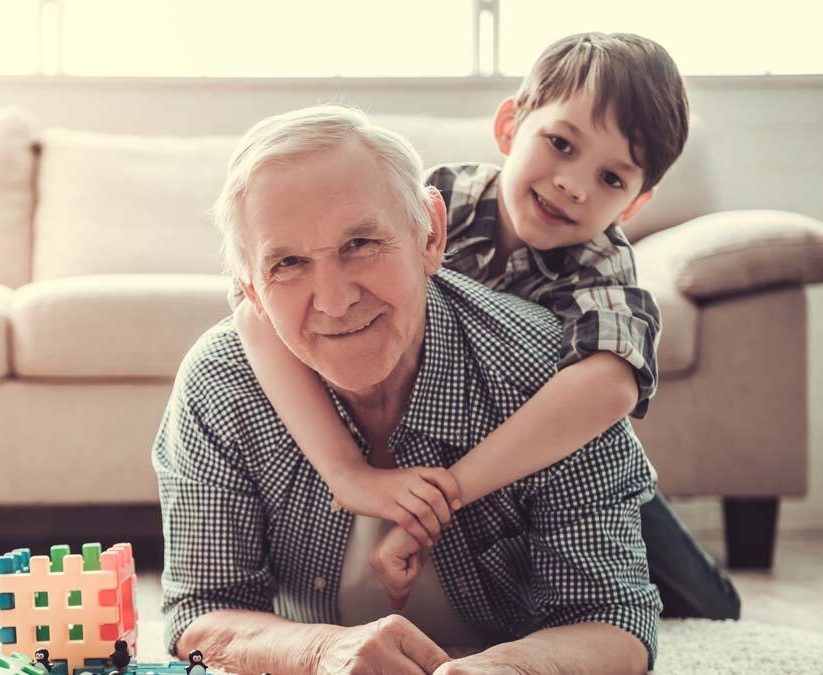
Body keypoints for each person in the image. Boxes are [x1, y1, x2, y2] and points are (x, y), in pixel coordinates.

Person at [234, 32, 741, 618]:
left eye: (611, 179)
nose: (573, 184)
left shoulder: (602, 263)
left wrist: (450, 492)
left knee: (702, 602)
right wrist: (345, 473)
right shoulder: (441, 198)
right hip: (442, 431)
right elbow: (253, 313)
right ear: (509, 126)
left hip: (562, 460)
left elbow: (610, 387)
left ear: (632, 206)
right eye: (561, 144)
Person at [153, 103, 661, 674]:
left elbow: (614, 618)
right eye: (288, 262)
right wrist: (319, 652)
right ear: (251, 289)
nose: (336, 302)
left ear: (431, 235)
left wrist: (508, 669)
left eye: (360, 243)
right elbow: (199, 614)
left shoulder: (552, 381)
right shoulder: (220, 387)